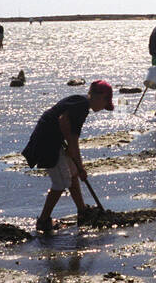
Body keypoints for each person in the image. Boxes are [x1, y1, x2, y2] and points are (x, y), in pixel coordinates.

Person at [21, 80, 115, 232]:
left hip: (56, 140)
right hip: (47, 141)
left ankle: (82, 211)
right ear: (99, 96)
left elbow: (67, 129)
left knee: (73, 172)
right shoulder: (82, 105)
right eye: (105, 103)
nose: (104, 107)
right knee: (61, 182)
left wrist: (76, 159)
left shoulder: (81, 103)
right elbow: (63, 121)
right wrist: (72, 147)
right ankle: (44, 220)